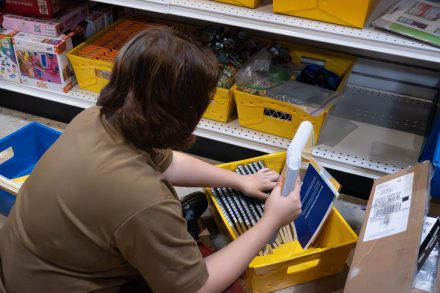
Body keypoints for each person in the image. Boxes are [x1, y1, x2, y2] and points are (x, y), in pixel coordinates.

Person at [0, 26, 302, 293]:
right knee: (230, 284)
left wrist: (239, 180)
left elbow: (169, 163)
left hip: (23, 266)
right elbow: (195, 288)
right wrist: (270, 222)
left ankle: (169, 235)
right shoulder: (145, 199)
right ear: (184, 115)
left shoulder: (97, 118)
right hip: (53, 283)